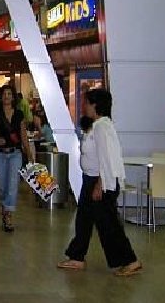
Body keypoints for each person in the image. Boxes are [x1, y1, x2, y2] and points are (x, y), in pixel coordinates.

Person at [58, 88, 142, 277]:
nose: (84, 106)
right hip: (91, 180)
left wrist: (100, 184)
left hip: (100, 182)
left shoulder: (103, 127)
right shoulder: (95, 126)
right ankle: (77, 256)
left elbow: (107, 158)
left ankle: (129, 260)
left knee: (108, 224)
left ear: (95, 105)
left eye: (87, 102)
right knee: (84, 220)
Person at [0, 84, 36, 232]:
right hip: (0, 154)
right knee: (2, 186)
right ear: (1, 96)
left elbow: (23, 135)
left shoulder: (19, 114)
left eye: (9, 94)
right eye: (4, 94)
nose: (7, 97)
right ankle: (4, 208)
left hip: (15, 153)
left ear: (13, 97)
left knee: (12, 184)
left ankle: (8, 214)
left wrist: (29, 155)